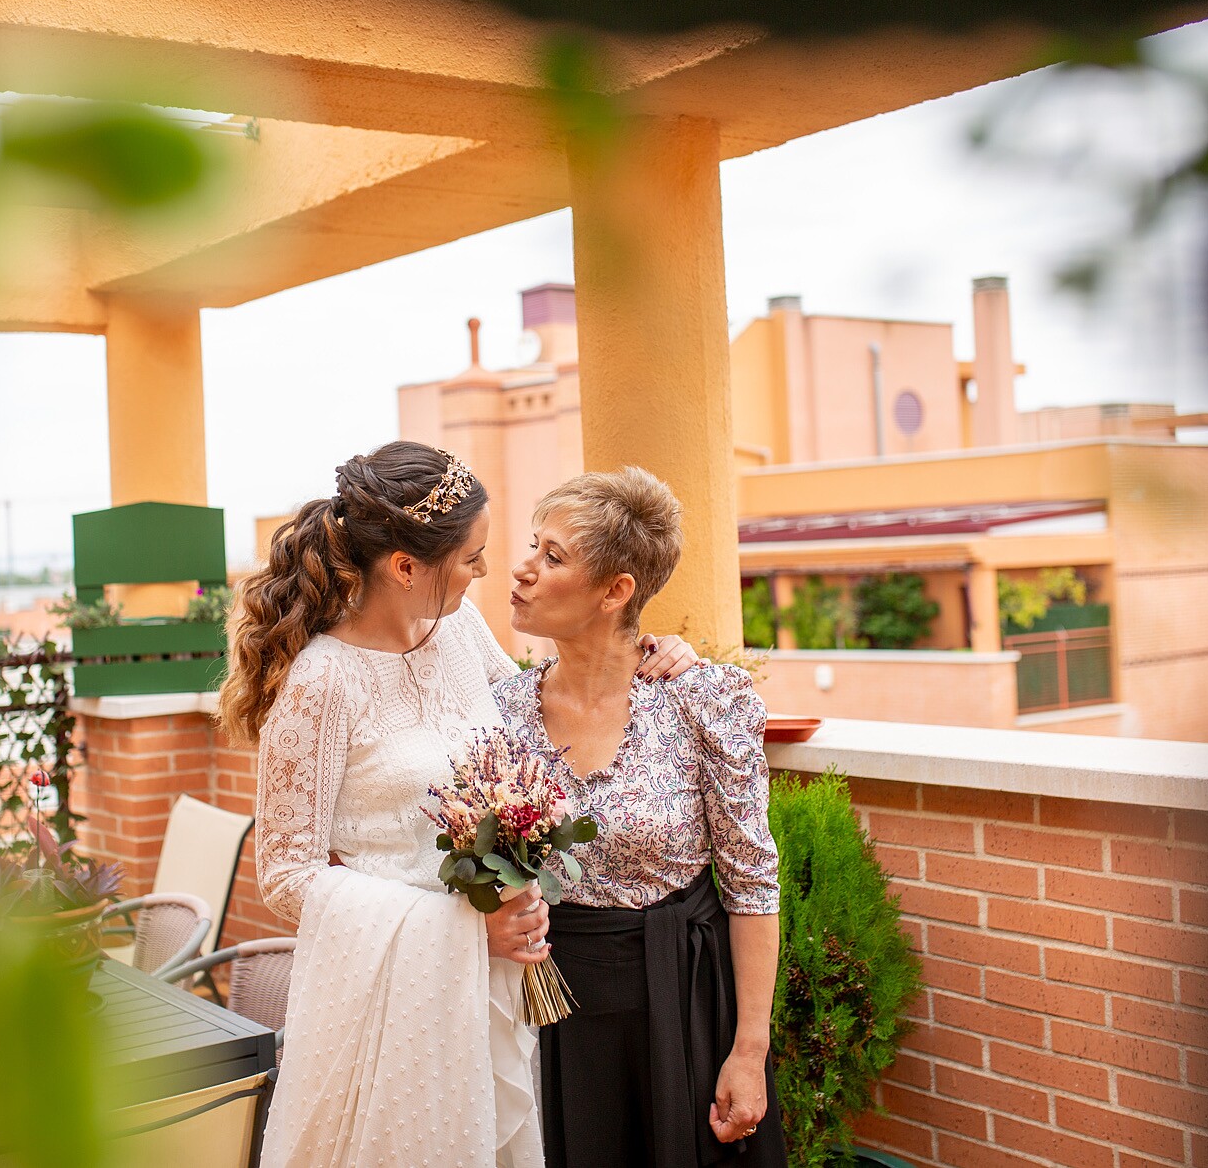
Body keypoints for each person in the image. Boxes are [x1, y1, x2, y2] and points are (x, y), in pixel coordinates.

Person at [224, 442, 695, 1168]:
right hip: (393, 1004)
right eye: (471, 558)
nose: (485, 572)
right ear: (406, 567)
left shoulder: (459, 631)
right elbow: (286, 874)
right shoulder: (322, 682)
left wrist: (651, 655)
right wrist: (460, 927)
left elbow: (539, 719)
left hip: (492, 991)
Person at [497, 466, 787, 1168]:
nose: (523, 568)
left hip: (683, 1004)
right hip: (550, 1014)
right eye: (532, 545)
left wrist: (749, 1050)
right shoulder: (499, 710)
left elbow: (751, 883)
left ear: (616, 590)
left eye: (552, 555)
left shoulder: (702, 699)